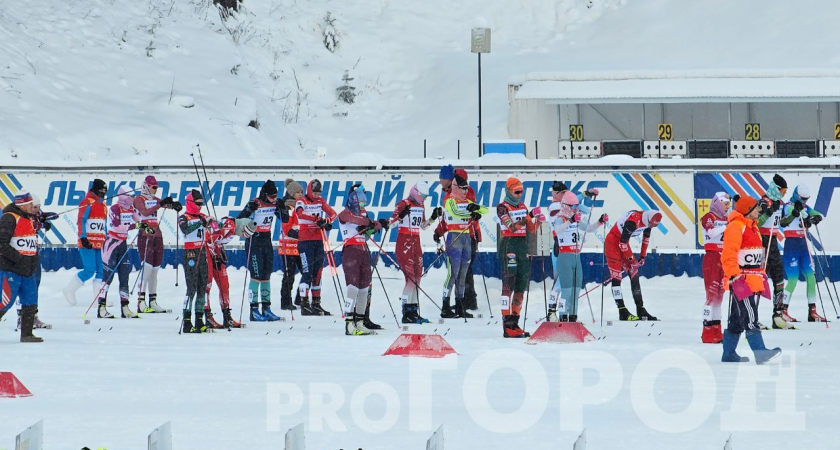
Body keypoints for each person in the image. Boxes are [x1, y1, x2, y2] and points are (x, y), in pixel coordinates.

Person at [721, 195, 782, 364]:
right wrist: (735, 276)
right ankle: (760, 352)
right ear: (748, 211)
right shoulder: (736, 227)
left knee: (736, 318)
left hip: (751, 279)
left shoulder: (752, 227)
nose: (759, 210)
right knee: (750, 315)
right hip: (741, 280)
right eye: (756, 208)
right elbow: (728, 255)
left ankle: (728, 354)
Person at [547, 190, 607, 322]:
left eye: (576, 207)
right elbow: (556, 231)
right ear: (565, 206)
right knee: (566, 290)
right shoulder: (560, 218)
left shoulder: (576, 218)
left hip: (576, 257)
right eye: (573, 207)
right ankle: (563, 316)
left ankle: (573, 317)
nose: (575, 209)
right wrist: (571, 221)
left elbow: (589, 229)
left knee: (575, 290)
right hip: (564, 257)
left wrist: (600, 222)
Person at [496, 177, 545, 337]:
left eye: (521, 192)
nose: (519, 195)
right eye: (516, 192)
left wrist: (538, 220)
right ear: (509, 191)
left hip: (521, 246)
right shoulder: (502, 207)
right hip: (508, 245)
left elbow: (531, 229)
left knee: (521, 286)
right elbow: (512, 227)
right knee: (508, 285)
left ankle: (515, 323)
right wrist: (528, 216)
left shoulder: (522, 206)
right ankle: (506, 324)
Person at [98, 186, 153, 319]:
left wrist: (146, 226)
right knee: (108, 277)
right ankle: (101, 308)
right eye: (129, 196)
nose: (132, 198)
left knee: (124, 277)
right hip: (111, 244)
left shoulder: (130, 208)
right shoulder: (115, 208)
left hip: (122, 244)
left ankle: (125, 308)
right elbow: (118, 225)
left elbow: (138, 220)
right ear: (122, 195)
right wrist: (136, 226)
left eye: (133, 196)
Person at [238, 180, 288, 322]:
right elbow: (238, 220)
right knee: (256, 275)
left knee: (266, 275)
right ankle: (253, 310)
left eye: (275, 196)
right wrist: (248, 209)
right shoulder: (255, 203)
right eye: (271, 196)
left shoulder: (274, 204)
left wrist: (282, 208)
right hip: (254, 240)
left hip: (266, 240)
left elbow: (285, 219)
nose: (273, 198)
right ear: (264, 194)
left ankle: (266, 308)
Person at [439, 174, 487, 319]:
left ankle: (460, 305)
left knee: (463, 275)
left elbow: (485, 210)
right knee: (452, 274)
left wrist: (476, 209)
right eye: (462, 189)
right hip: (454, 237)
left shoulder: (467, 201)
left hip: (466, 238)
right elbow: (455, 212)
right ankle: (445, 306)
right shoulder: (450, 199)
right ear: (455, 188)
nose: (465, 191)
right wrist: (472, 212)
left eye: (466, 189)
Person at [338, 185, 383, 335]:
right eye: (361, 204)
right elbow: (353, 219)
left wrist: (376, 225)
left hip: (363, 250)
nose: (362, 207)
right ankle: (349, 323)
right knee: (353, 286)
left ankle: (360, 321)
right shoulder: (345, 213)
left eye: (364, 204)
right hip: (351, 251)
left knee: (364, 287)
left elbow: (370, 226)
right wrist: (367, 222)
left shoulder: (362, 215)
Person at [391, 181, 437, 324]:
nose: (424, 199)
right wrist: (400, 216)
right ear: (416, 192)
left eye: (426, 197)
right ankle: (406, 312)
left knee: (418, 277)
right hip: (404, 242)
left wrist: (433, 218)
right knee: (410, 277)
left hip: (416, 242)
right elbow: (391, 223)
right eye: (422, 195)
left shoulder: (421, 206)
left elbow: (422, 226)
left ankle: (414, 311)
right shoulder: (403, 204)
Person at [134, 175, 181, 314]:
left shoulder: (154, 199)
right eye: (153, 187)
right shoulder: (139, 199)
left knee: (155, 270)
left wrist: (174, 205)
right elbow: (145, 212)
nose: (155, 190)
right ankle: (140, 302)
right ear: (146, 186)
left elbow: (164, 204)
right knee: (146, 269)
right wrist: (160, 204)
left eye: (156, 188)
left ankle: (152, 301)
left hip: (157, 236)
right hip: (145, 235)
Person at [0, 191, 43, 342]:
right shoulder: (9, 217)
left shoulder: (29, 218)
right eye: (31, 204)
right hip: (12, 268)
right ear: (22, 204)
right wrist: (19, 259)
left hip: (28, 270)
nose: (33, 207)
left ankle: (27, 334)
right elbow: (2, 244)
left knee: (30, 301)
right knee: (5, 303)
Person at [780, 185, 827, 322]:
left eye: (807, 199)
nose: (805, 201)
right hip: (791, 245)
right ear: (796, 195)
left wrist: (815, 218)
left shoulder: (805, 207)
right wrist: (803, 215)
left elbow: (820, 215)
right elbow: (790, 215)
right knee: (793, 279)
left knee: (811, 277)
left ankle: (812, 312)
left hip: (803, 244)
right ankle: (783, 311)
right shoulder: (788, 205)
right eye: (803, 199)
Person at [604, 209, 662, 321]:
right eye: (651, 225)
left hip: (623, 245)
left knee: (634, 274)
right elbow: (622, 243)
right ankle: (622, 310)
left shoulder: (649, 222)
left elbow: (646, 239)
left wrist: (642, 256)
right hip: (612, 244)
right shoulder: (633, 221)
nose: (651, 227)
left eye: (654, 226)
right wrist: (632, 259)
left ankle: (640, 309)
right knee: (617, 278)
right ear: (648, 220)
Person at [63, 179, 108, 306]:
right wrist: (83, 237)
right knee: (89, 270)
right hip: (87, 242)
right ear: (95, 189)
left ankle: (99, 298)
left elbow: (103, 224)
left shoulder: (103, 205)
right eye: (101, 190)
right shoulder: (87, 202)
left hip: (100, 242)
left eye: (105, 191)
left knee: (101, 270)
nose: (103, 193)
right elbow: (81, 220)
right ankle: (69, 290)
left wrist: (106, 236)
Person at [295, 179, 337, 316]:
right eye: (314, 192)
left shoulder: (320, 200)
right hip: (305, 241)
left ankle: (316, 303)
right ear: (309, 190)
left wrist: (326, 221)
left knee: (318, 272)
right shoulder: (302, 200)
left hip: (318, 240)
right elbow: (300, 213)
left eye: (318, 192)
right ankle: (304, 303)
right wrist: (315, 219)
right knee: (307, 272)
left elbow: (333, 214)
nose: (316, 195)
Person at [204, 216, 255, 328]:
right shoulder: (229, 227)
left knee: (224, 285)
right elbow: (208, 239)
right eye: (244, 234)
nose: (243, 236)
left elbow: (217, 241)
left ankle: (227, 316)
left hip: (216, 251)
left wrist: (219, 253)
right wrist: (214, 255)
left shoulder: (232, 227)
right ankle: (208, 316)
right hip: (206, 251)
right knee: (207, 283)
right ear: (242, 228)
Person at [16, 195, 53, 330]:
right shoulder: (22, 217)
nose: (37, 210)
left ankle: (32, 316)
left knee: (34, 285)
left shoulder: (35, 215)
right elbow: (33, 225)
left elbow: (40, 219)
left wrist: (44, 218)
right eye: (35, 208)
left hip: (33, 255)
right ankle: (22, 318)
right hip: (22, 257)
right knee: (22, 288)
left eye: (39, 208)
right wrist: (41, 223)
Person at [757, 174, 788, 329]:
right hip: (761, 240)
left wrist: (793, 214)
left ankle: (778, 314)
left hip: (773, 240)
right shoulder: (764, 201)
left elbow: (781, 221)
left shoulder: (780, 203)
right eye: (782, 190)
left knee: (779, 276)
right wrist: (768, 211)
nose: (784, 193)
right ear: (775, 188)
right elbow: (756, 223)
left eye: (785, 191)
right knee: (759, 278)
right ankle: (752, 317)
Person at [179, 190, 212, 333]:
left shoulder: (203, 216)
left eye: (201, 204)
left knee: (202, 287)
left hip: (202, 251)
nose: (200, 207)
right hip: (190, 253)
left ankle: (199, 320)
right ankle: (187, 321)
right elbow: (185, 230)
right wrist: (200, 223)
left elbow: (215, 227)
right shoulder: (183, 217)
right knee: (191, 288)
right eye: (197, 204)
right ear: (191, 203)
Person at [700, 192, 731, 343]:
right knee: (711, 297)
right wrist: (727, 225)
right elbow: (711, 232)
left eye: (729, 204)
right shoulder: (708, 216)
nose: (727, 207)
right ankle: (706, 332)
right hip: (712, 258)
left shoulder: (726, 218)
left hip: (723, 258)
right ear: (718, 202)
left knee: (719, 297)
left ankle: (717, 332)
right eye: (725, 204)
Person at [279, 179, 304, 311]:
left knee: (307, 272)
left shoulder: (300, 205)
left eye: (301, 192)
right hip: (288, 245)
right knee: (289, 275)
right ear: (291, 193)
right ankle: (285, 301)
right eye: (298, 192)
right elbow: (286, 227)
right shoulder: (288, 207)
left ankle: (300, 298)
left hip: (299, 245)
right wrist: (301, 234)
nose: (300, 194)